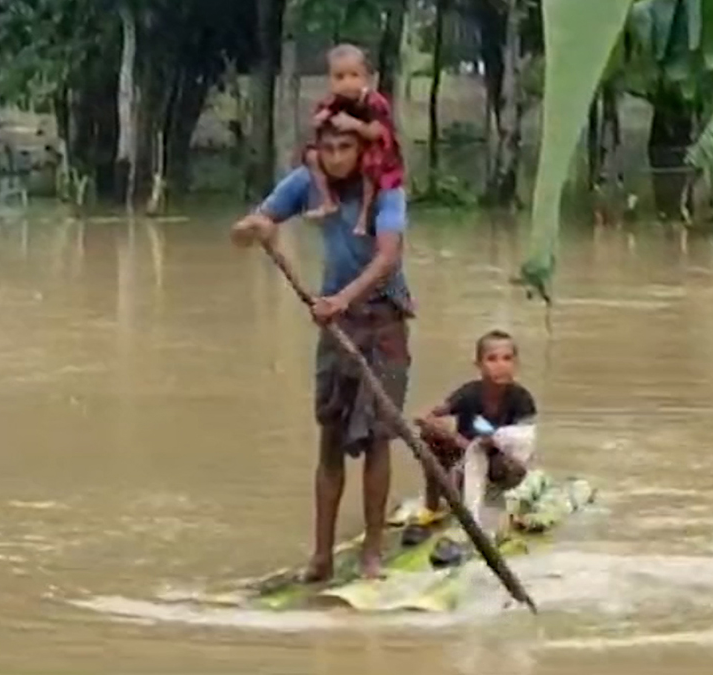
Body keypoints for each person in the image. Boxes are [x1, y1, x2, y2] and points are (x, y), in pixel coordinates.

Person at [230, 121, 413, 582]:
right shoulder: (308, 182)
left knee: (378, 438)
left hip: (384, 320)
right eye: (327, 148)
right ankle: (322, 556)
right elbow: (249, 229)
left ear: (361, 149)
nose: (335, 157)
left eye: (344, 147)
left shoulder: (386, 188)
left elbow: (387, 257)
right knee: (330, 438)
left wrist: (342, 300)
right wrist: (254, 228)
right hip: (335, 325)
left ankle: (373, 552)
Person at [405, 330, 538, 565]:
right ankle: (432, 506)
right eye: (492, 359)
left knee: (508, 466)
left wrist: (485, 444)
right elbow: (429, 416)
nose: (500, 365)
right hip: (465, 457)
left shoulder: (521, 399)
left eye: (507, 358)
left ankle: (493, 511)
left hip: (499, 464)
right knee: (429, 436)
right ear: (478, 364)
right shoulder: (469, 393)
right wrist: (433, 425)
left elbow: (524, 443)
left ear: (516, 364)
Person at [301, 43, 404, 238]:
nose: (347, 83)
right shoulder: (332, 101)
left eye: (354, 76)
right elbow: (323, 120)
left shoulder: (374, 102)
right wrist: (320, 119)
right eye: (339, 77)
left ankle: (364, 216)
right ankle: (327, 201)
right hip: (347, 158)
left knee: (369, 164)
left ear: (366, 78)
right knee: (312, 156)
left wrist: (354, 125)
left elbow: (376, 133)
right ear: (330, 80)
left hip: (378, 154)